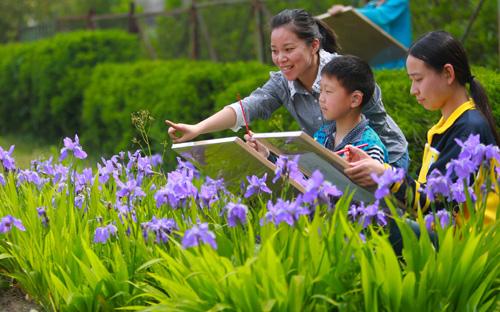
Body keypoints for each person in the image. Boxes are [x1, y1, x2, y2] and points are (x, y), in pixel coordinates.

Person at [166, 8, 409, 170]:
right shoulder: (283, 81)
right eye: (274, 51)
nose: (281, 58)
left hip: (383, 160)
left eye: (289, 49)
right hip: (335, 164)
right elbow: (249, 106)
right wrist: (198, 129)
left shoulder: (345, 74)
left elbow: (374, 121)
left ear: (314, 45)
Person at [344, 31, 499, 223]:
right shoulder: (452, 125)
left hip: (461, 246)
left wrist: (385, 174)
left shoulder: (469, 128)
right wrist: (379, 172)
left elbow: (437, 204)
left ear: (448, 74)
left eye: (418, 79)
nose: (413, 90)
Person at [313, 55, 388, 163]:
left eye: (328, 91)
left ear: (355, 99)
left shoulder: (369, 147)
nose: (321, 98)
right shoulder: (322, 134)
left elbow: (370, 179)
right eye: (321, 90)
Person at [329, 0, 411, 69]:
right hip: (375, 62)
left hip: (397, 62)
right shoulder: (371, 5)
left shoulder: (399, 1)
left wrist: (348, 11)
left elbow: (380, 16)